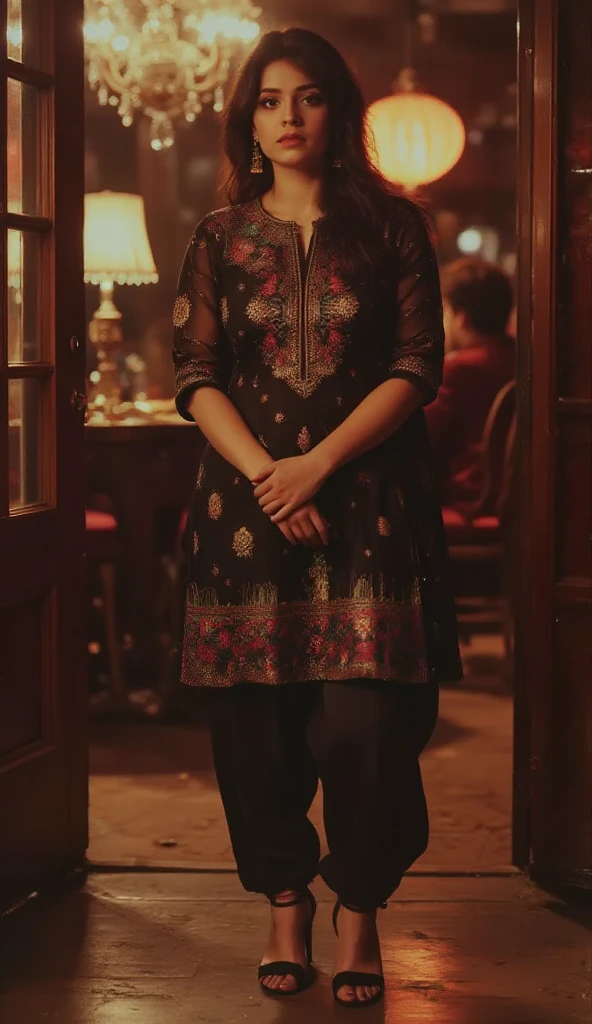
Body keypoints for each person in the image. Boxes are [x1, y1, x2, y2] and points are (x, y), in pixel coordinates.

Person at [171, 27, 461, 1009]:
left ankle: (360, 907)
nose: (287, 117)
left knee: (366, 729)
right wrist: (267, 475)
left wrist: (318, 466)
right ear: (246, 119)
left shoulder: (391, 227)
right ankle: (286, 903)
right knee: (254, 729)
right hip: (244, 511)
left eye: (307, 98)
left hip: (367, 500)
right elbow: (197, 377)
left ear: (338, 111)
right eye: (267, 100)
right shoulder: (218, 238)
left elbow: (417, 364)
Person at [425, 257, 516, 509]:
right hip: (512, 501)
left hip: (466, 502)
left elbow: (424, 440)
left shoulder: (457, 369)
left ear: (461, 318)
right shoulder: (524, 361)